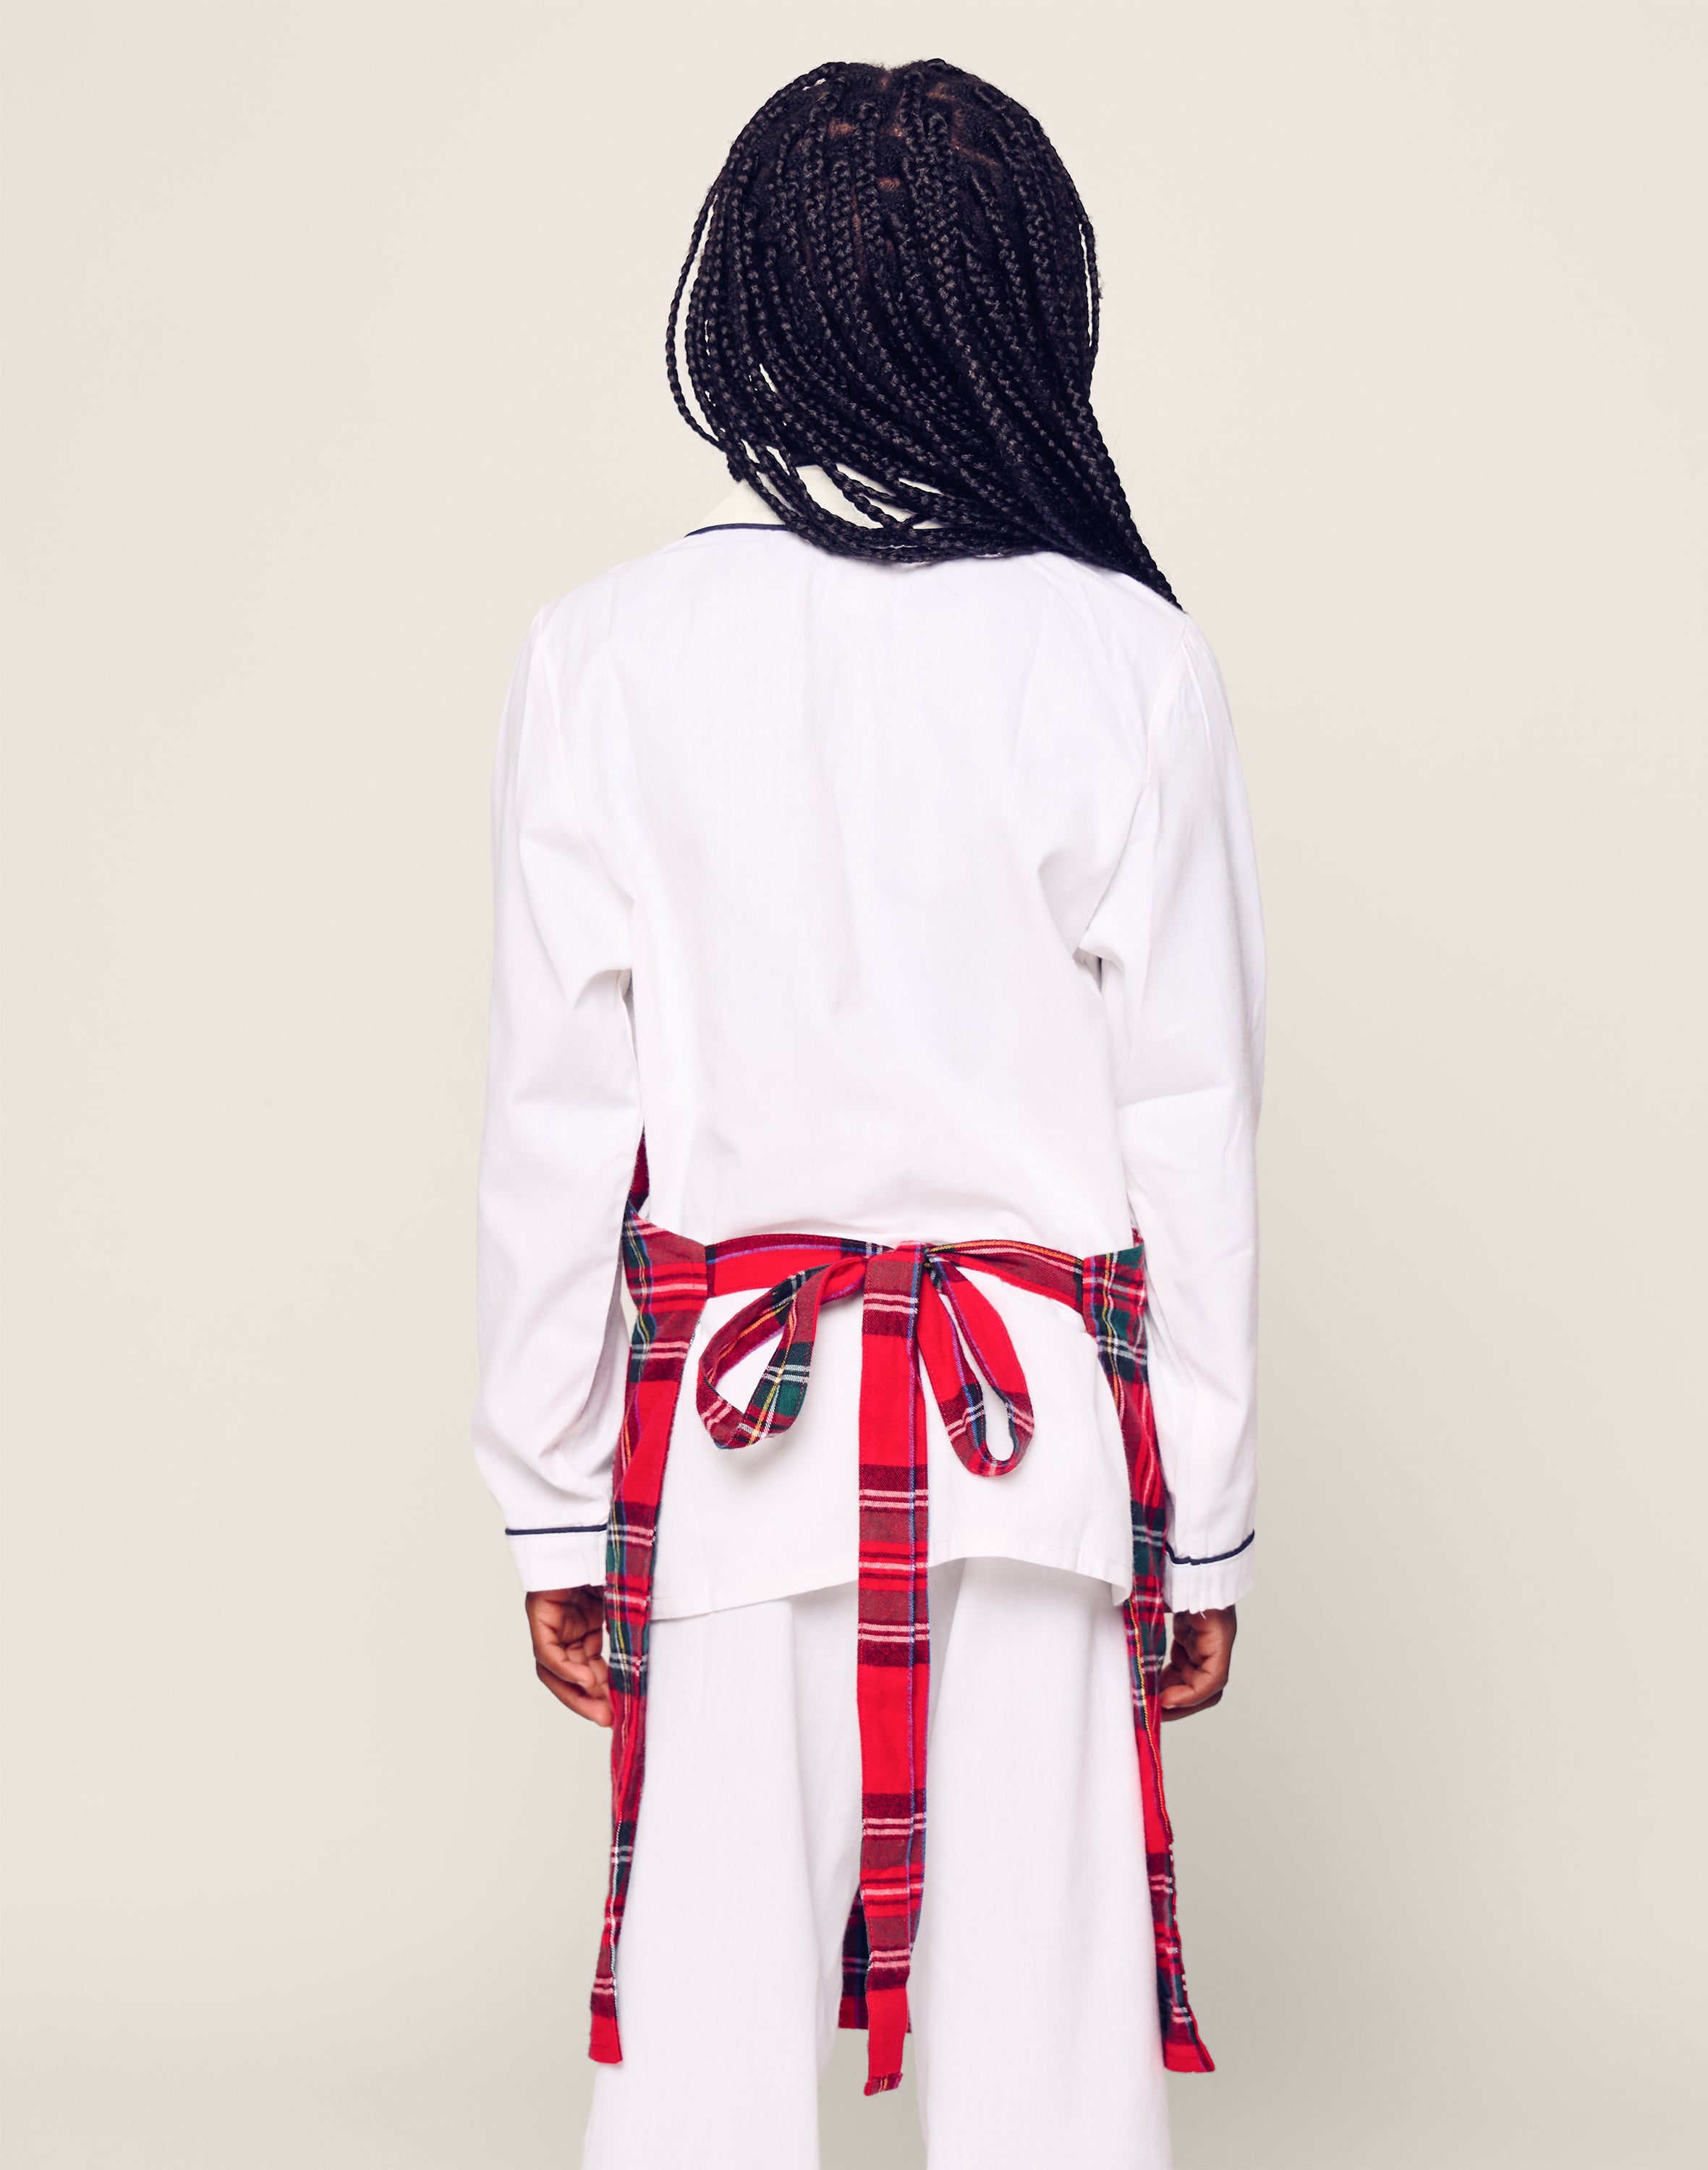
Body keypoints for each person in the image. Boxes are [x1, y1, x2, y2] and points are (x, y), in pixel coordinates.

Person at [473, 57, 1263, 2170]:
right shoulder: (1124, 660)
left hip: (735, 1436)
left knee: (693, 2053)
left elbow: (556, 1115)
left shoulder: (606, 654)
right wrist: (1211, 1504)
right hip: (1043, 1454)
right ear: (1028, 306)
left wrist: (552, 1495)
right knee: (1054, 2061)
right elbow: (1193, 1119)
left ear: (743, 304)